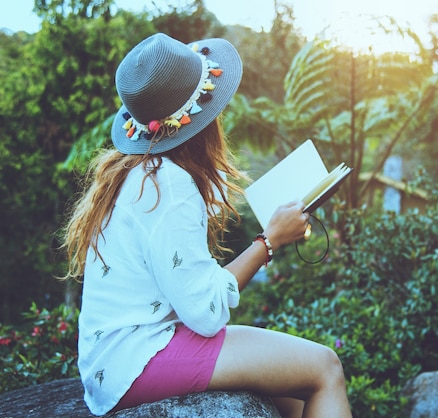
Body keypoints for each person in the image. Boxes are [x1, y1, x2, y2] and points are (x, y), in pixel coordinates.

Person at [60, 33, 352, 418]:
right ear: (203, 118)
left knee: (295, 393)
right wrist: (269, 241)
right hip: (139, 358)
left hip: (112, 361)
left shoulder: (137, 171)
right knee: (325, 366)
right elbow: (207, 314)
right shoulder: (170, 184)